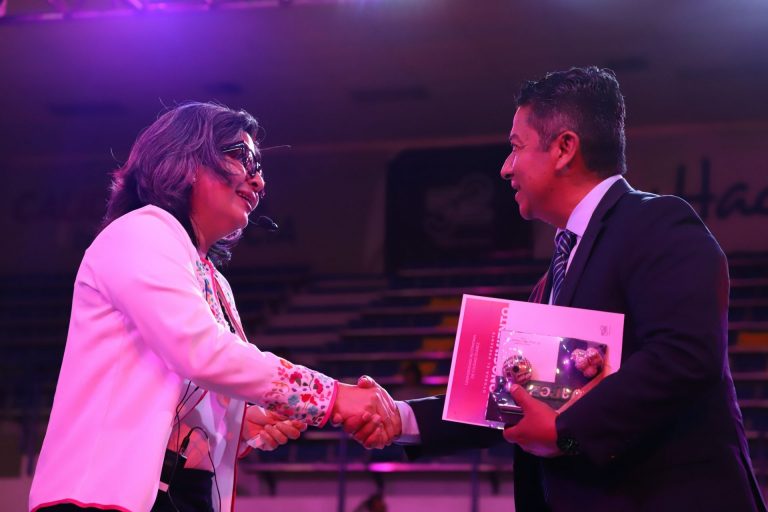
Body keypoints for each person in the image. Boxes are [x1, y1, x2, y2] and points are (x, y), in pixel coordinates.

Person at [341, 67, 767, 511]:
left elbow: (686, 354)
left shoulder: (659, 222)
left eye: (516, 147)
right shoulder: (553, 277)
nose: (506, 167)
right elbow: (508, 398)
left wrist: (566, 432)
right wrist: (401, 417)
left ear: (564, 148)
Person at [28, 102, 399, 512]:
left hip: (183, 492)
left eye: (260, 167)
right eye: (242, 157)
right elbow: (200, 351)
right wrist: (330, 396)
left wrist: (238, 425)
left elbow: (184, 385)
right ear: (187, 161)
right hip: (100, 498)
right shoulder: (140, 232)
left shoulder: (213, 279)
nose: (259, 180)